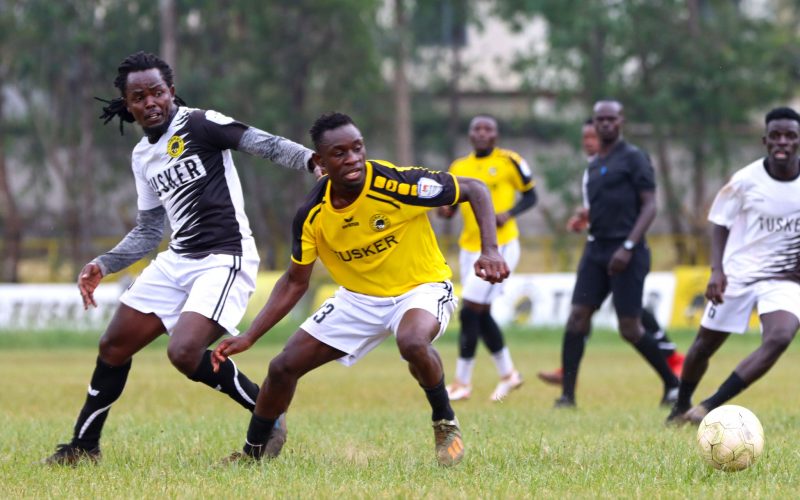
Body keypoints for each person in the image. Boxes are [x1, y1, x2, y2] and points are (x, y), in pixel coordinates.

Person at [42, 51, 318, 465]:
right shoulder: (142, 156)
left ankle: (269, 414)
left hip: (224, 257)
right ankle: (84, 447)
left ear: (171, 92)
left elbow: (262, 142)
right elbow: (152, 229)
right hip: (178, 259)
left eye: (157, 92)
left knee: (184, 353)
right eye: (139, 96)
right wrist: (105, 263)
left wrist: (313, 161)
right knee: (113, 345)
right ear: (128, 104)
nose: (150, 102)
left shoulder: (199, 123)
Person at [211, 112, 509, 467]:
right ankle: (253, 454)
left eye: (357, 148)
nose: (353, 159)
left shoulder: (396, 182)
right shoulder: (311, 213)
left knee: (412, 342)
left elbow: (475, 189)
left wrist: (490, 250)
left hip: (421, 287)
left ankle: (445, 422)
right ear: (320, 162)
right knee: (281, 368)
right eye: (340, 153)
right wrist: (250, 336)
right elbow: (295, 281)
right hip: (358, 300)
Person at [666, 106, 800, 425]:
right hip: (739, 273)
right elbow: (720, 222)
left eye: (790, 136)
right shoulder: (745, 180)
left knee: (780, 337)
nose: (783, 141)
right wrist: (717, 270)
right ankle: (681, 405)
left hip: (783, 279)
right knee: (703, 347)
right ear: (765, 140)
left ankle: (709, 406)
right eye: (776, 136)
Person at [537, 119, 684, 386]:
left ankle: (672, 362)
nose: (588, 143)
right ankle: (567, 387)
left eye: (592, 137)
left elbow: (642, 204)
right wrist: (586, 218)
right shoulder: (591, 169)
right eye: (584, 139)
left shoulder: (632, 160)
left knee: (630, 319)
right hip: (597, 248)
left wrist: (628, 245)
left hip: (628, 248)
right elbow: (603, 207)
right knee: (580, 314)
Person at [438, 114, 536, 402]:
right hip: (469, 248)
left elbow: (532, 197)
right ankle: (509, 375)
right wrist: (445, 211)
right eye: (476, 129)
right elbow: (451, 206)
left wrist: (509, 214)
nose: (482, 133)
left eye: (487, 129)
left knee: (469, 310)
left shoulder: (510, 161)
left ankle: (461, 383)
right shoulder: (459, 166)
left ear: (496, 135)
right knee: (481, 313)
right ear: (470, 136)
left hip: (500, 247)